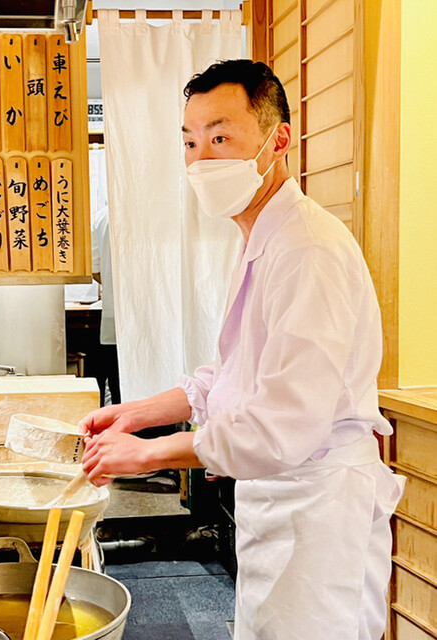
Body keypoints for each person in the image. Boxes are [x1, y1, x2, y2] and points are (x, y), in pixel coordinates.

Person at [79, 59, 405, 640]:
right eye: (190, 142)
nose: (201, 160)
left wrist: (148, 455)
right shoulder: (261, 236)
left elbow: (282, 424)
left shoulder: (308, 250)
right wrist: (136, 414)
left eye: (221, 138)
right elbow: (233, 375)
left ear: (277, 141)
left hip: (318, 510)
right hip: (279, 502)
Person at [91, 204, 121, 406]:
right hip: (153, 319)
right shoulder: (154, 210)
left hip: (113, 313)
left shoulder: (101, 218)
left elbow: (95, 270)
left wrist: (112, 288)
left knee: (117, 385)